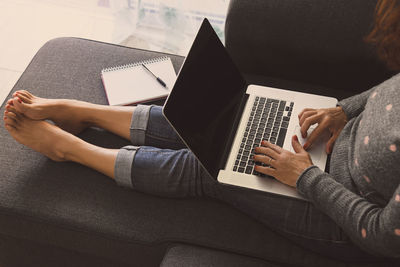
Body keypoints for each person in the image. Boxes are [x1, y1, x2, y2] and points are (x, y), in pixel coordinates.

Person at [3, 0, 400, 262]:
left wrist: (305, 176)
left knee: (215, 169)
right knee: (228, 119)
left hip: (339, 218)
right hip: (329, 147)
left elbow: (382, 236)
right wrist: (342, 111)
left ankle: (70, 149)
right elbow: (388, 90)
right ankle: (87, 114)